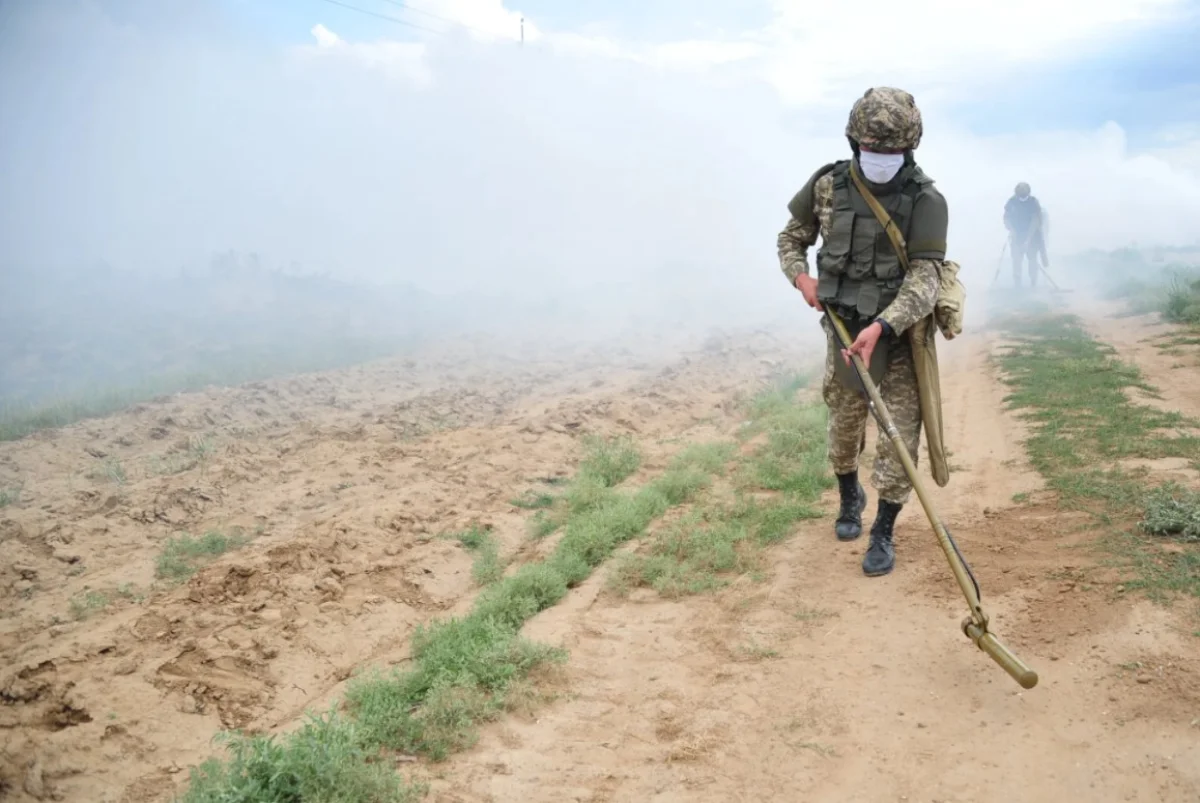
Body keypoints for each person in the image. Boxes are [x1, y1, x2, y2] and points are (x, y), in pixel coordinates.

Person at [776, 87, 948, 577]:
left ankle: (884, 529)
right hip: (842, 328)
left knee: (899, 436)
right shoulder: (828, 185)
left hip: (898, 337)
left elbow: (926, 276)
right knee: (845, 422)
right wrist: (800, 275)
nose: (880, 159)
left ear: (910, 148)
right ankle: (848, 493)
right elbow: (791, 236)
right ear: (854, 142)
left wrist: (884, 323)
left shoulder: (926, 199)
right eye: (871, 150)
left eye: (891, 153)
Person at [1003, 182, 1048, 287]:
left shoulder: (1033, 202)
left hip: (1032, 236)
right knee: (1016, 260)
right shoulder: (1011, 202)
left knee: (1032, 259)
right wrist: (1012, 230)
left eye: (1024, 196)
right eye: (1020, 196)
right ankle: (1017, 285)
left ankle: (1033, 284)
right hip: (1016, 236)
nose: (1022, 198)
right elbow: (1006, 218)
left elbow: (1035, 221)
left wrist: (1028, 240)